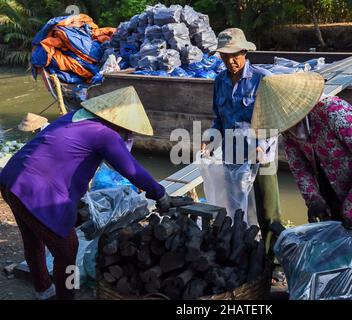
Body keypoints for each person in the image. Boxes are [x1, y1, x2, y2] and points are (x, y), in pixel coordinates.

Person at [0, 86, 172, 300]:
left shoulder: (73, 117)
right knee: (67, 249)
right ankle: (66, 296)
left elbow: (64, 158)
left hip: (11, 177)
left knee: (33, 239)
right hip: (36, 189)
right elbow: (132, 170)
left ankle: (43, 289)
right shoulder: (105, 134)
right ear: (121, 122)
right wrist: (160, 193)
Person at [252, 72, 352, 256]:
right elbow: (299, 166)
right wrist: (313, 199)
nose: (285, 128)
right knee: (337, 259)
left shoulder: (334, 112)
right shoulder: (288, 129)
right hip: (331, 192)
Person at [201, 28, 281, 260]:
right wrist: (210, 139)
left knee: (267, 211)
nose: (230, 60)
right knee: (236, 207)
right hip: (232, 153)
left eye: (235, 54)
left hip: (261, 155)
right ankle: (243, 253)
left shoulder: (262, 79)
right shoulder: (219, 81)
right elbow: (219, 118)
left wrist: (262, 145)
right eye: (225, 56)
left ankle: (272, 261)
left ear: (245, 52)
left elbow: (273, 118)